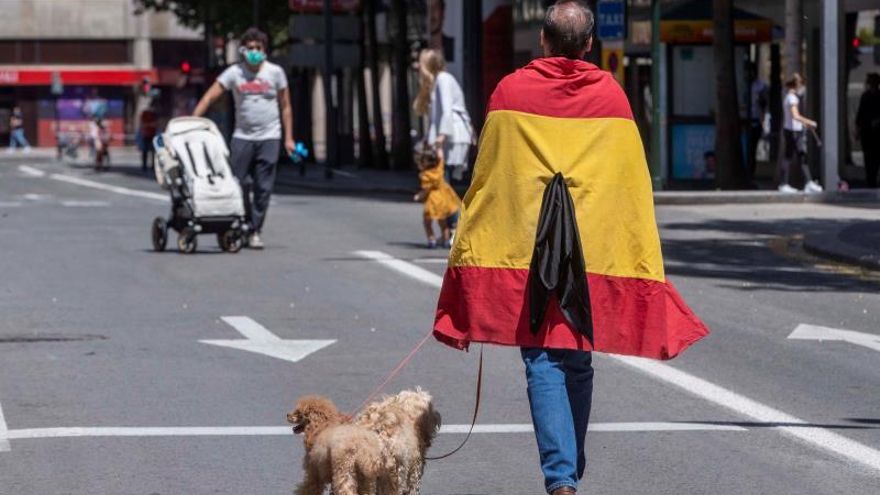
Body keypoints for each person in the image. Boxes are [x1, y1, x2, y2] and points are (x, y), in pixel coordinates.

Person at [431, 2, 709, 494]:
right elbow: (629, 184)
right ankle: (565, 474)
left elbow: (490, 177)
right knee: (575, 357)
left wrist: (473, 241)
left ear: (542, 39)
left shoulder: (510, 91)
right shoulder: (612, 95)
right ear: (587, 46)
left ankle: (562, 479)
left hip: (527, 252)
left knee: (543, 357)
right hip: (589, 253)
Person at [193, 27, 295, 249]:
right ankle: (242, 222)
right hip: (242, 137)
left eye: (258, 48)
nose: (254, 52)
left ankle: (255, 229)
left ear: (265, 50)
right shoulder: (234, 73)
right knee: (239, 184)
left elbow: (285, 106)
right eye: (250, 48)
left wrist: (289, 138)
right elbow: (210, 96)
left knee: (263, 187)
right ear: (243, 50)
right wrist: (192, 120)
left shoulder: (275, 73)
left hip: (270, 136)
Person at [413, 48, 474, 184]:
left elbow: (447, 110)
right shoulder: (439, 80)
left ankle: (446, 205)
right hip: (452, 136)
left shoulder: (443, 79)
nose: (418, 66)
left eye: (421, 63)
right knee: (443, 179)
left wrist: (441, 136)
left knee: (444, 180)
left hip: (452, 137)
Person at [779, 73, 822, 194]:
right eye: (801, 84)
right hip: (793, 132)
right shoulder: (792, 98)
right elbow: (795, 116)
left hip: (793, 130)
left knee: (800, 156)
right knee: (796, 157)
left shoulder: (789, 97)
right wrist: (810, 122)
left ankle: (807, 182)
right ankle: (786, 184)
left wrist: (804, 124)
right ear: (797, 84)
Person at [413, 142, 461, 249]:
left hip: (433, 200)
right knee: (442, 222)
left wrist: (419, 196)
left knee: (427, 221)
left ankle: (432, 239)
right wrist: (439, 147)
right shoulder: (439, 170)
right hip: (444, 198)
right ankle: (446, 240)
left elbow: (426, 190)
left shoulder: (425, 175)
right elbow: (441, 157)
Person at [856, 73, 880, 188]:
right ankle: (871, 181)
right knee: (868, 158)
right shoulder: (865, 96)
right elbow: (860, 115)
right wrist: (857, 130)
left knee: (876, 157)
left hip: (878, 133)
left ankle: (874, 179)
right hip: (867, 133)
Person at [746, 63, 768, 181]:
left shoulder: (761, 86)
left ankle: (751, 172)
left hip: (756, 120)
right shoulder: (743, 84)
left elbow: (764, 104)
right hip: (744, 120)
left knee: (753, 148)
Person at [138, 104, 158, 172]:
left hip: (152, 134)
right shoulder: (145, 114)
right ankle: (144, 165)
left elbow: (155, 124)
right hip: (146, 134)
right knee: (145, 151)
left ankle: (152, 165)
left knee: (152, 151)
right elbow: (143, 124)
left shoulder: (153, 114)